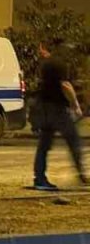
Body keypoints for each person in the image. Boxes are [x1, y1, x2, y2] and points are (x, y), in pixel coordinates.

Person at [32, 42, 85, 191]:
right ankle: (81, 175)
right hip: (58, 109)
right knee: (73, 140)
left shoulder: (47, 64)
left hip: (44, 107)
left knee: (43, 146)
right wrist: (75, 104)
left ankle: (39, 179)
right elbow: (65, 86)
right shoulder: (61, 65)